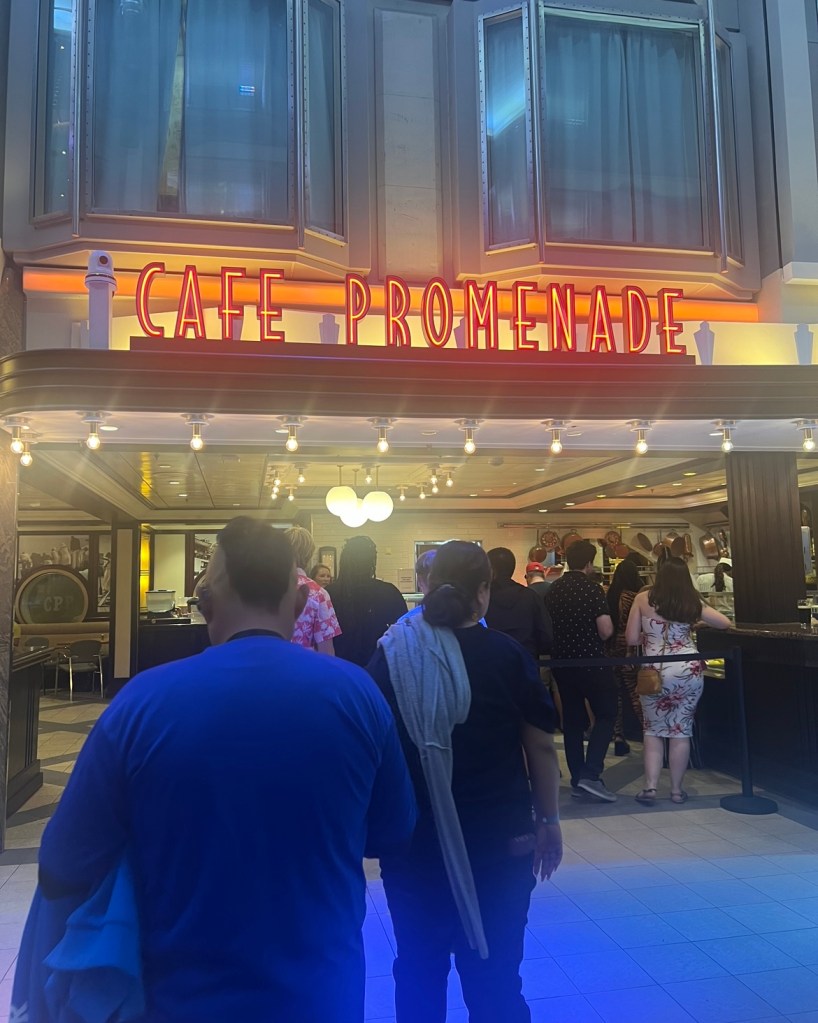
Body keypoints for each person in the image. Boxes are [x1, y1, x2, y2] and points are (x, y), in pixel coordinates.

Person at [36, 517, 416, 1023]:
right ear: (301, 603)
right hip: (323, 993)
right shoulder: (357, 695)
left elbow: (63, 862)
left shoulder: (141, 702)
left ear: (206, 602)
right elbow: (393, 831)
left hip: (177, 997)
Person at [366, 540, 562, 1023]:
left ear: (428, 585)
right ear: (483, 591)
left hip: (415, 842)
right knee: (495, 975)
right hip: (500, 838)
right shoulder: (507, 655)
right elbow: (540, 748)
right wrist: (549, 821)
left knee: (418, 968)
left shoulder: (393, 654)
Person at [626, 556, 731, 806]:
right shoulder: (690, 601)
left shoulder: (642, 599)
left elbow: (630, 638)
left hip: (653, 671)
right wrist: (697, 622)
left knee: (652, 730)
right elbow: (724, 622)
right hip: (687, 670)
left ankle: (650, 787)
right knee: (681, 730)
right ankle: (675, 791)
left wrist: (649, 636)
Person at [545, 539, 617, 802]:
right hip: (592, 661)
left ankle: (577, 779)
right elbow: (605, 630)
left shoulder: (554, 589)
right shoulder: (592, 588)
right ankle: (591, 773)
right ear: (588, 563)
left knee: (573, 722)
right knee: (607, 713)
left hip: (563, 664)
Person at [328, 535, 408, 666]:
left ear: (344, 560)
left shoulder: (329, 594)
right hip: (379, 667)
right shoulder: (388, 592)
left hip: (340, 667)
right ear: (372, 561)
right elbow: (402, 635)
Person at [605, 559, 645, 756]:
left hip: (611, 649)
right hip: (630, 649)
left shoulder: (610, 595)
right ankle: (649, 733)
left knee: (616, 695)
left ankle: (618, 736)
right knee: (636, 693)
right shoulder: (633, 597)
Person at [484, 547, 552, 659]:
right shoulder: (530, 596)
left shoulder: (482, 598)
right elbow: (546, 636)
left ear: (491, 569)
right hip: (526, 660)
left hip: (491, 661)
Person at [285, 526, 342, 654]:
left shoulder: (267, 589)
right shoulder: (319, 594)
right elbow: (326, 650)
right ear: (310, 554)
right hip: (305, 663)